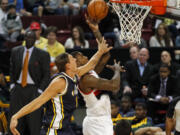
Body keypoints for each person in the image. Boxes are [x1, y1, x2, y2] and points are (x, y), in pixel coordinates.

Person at [10, 37, 112, 135]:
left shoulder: (74, 75)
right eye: (72, 59)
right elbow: (38, 102)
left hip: (66, 128)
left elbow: (91, 65)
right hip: (53, 130)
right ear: (68, 65)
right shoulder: (60, 82)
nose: (75, 60)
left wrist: (100, 51)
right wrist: (16, 116)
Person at [9, 30, 50, 135]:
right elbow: (12, 69)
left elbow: (46, 74)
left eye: (32, 38)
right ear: (24, 39)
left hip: (34, 90)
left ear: (35, 40)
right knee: (16, 121)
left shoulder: (43, 54)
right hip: (17, 89)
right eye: (27, 37)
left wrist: (40, 90)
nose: (29, 40)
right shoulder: (15, 51)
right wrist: (12, 85)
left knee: (34, 122)